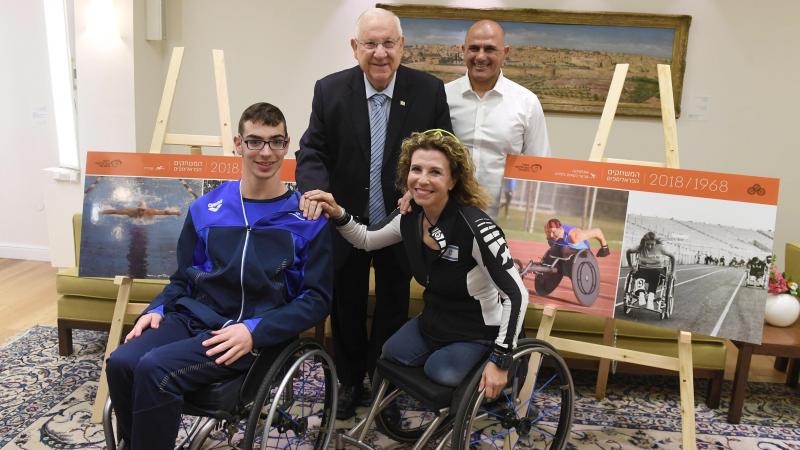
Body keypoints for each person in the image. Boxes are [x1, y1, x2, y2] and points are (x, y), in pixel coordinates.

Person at [105, 103, 332, 450]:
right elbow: (183, 278)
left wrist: (255, 331)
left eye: (275, 142)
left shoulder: (306, 218)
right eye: (255, 141)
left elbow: (316, 300)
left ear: (287, 146)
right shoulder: (206, 208)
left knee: (155, 368)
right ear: (238, 144)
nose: (265, 152)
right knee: (121, 361)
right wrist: (157, 309)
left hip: (251, 331)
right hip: (195, 316)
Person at [295, 7, 452, 419]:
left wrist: (418, 193)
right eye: (370, 44)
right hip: (343, 220)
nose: (379, 53)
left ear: (402, 46)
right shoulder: (329, 91)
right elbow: (312, 151)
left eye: (388, 43)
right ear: (354, 48)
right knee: (345, 304)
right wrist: (316, 190)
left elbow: (443, 152)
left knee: (393, 306)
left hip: (401, 222)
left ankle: (386, 388)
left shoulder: (429, 91)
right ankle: (349, 382)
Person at [303, 129, 528, 401]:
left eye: (435, 172)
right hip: (436, 321)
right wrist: (337, 212)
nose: (422, 179)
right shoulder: (409, 217)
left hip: (479, 330)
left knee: (440, 371)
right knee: (391, 353)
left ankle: (482, 388)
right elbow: (365, 239)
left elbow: (516, 294)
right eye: (416, 169)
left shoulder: (476, 227)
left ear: (453, 180)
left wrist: (501, 359)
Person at [446, 19, 550, 219]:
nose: (480, 56)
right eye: (474, 48)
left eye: (490, 49)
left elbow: (540, 167)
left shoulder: (526, 103)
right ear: (463, 50)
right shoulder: (443, 97)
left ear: (506, 52)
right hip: (448, 217)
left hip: (500, 223)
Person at [625, 231, 675, 308]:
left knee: (655, 274)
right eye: (647, 244)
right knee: (639, 273)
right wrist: (630, 266)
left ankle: (650, 298)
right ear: (644, 242)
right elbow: (628, 252)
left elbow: (672, 257)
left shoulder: (660, 248)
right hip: (643, 270)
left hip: (658, 270)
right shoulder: (640, 248)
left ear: (656, 243)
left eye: (652, 244)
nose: (650, 246)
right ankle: (641, 294)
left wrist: (673, 272)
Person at [544, 218, 610, 258]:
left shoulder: (575, 236)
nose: (551, 235)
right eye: (549, 232)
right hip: (565, 249)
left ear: (560, 229)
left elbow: (597, 232)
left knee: (564, 250)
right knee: (554, 251)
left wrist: (604, 247)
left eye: (553, 232)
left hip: (583, 252)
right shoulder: (549, 232)